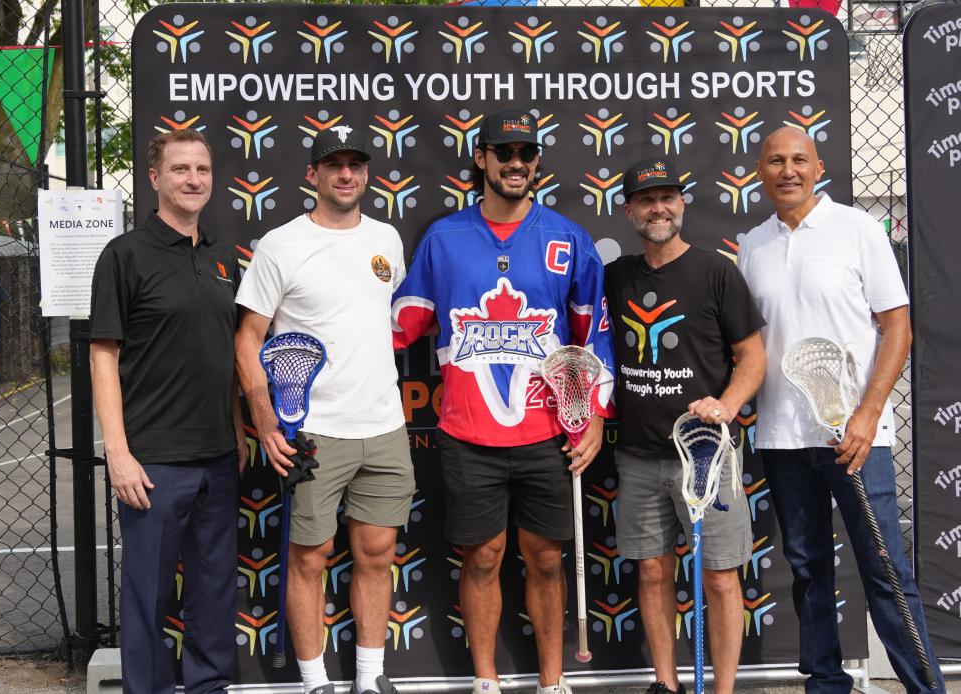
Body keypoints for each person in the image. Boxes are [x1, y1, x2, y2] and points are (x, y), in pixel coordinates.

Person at [392, 108, 614, 694]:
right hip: (468, 432)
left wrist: (591, 414)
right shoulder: (444, 238)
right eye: (505, 153)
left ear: (537, 162)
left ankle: (551, 682)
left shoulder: (568, 238)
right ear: (481, 159)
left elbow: (596, 334)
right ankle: (485, 682)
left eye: (527, 154)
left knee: (545, 558)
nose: (516, 164)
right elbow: (402, 322)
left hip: (547, 433)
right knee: (483, 557)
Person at [737, 127, 945, 693]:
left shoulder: (858, 229)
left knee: (885, 571)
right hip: (781, 437)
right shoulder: (751, 244)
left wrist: (867, 414)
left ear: (819, 166)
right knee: (807, 569)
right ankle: (826, 684)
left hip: (854, 439)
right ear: (759, 170)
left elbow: (896, 325)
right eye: (775, 160)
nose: (788, 170)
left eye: (799, 159)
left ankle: (925, 688)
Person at [235, 125, 411, 694]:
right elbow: (248, 337)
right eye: (332, 165)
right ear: (311, 175)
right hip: (312, 433)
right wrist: (264, 420)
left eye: (355, 165)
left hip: (384, 425)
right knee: (309, 558)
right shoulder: (280, 244)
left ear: (365, 174)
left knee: (377, 553)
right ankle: (314, 683)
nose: (345, 175)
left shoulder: (387, 239)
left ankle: (369, 679)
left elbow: (390, 323)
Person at [90, 129, 247, 694]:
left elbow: (224, 352)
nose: (193, 179)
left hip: (220, 459)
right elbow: (103, 355)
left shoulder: (223, 256)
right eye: (180, 169)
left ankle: (208, 686)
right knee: (147, 597)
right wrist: (119, 452)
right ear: (154, 178)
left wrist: (235, 425)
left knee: (213, 591)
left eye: (202, 169)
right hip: (154, 463)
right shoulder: (124, 255)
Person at [603, 159, 766, 694]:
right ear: (629, 210)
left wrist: (726, 404)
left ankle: (721, 690)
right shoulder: (616, 276)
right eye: (647, 200)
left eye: (668, 197)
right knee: (652, 572)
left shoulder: (716, 271)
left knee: (719, 576)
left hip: (707, 455)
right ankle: (666, 684)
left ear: (682, 204)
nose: (659, 208)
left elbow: (752, 357)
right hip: (638, 455)